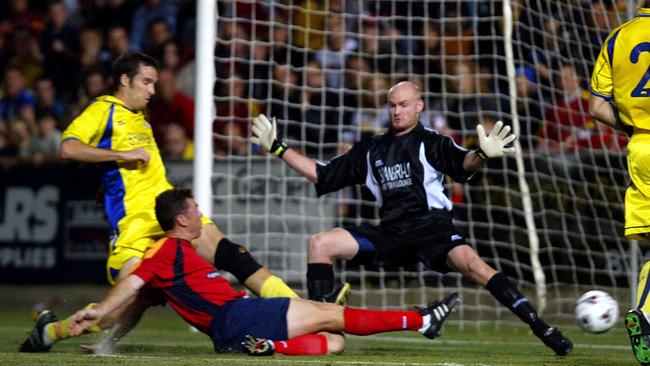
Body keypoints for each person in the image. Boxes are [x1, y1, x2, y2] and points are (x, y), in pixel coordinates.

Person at [250, 80, 573, 356]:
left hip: (431, 229)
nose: (396, 111)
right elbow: (323, 176)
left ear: (418, 106)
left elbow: (464, 166)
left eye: (403, 104)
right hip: (391, 234)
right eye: (391, 105)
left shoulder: (432, 142)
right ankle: (323, 324)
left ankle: (541, 328)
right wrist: (278, 148)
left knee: (477, 267)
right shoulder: (371, 148)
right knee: (320, 243)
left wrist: (483, 154)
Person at [19, 52, 299, 354]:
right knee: (118, 308)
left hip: (168, 215)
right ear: (125, 80)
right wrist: (123, 156)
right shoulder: (103, 109)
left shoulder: (140, 117)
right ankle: (50, 331)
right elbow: (68, 148)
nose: (152, 90)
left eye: (154, 83)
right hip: (136, 227)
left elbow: (130, 173)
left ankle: (302, 310)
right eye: (146, 82)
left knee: (232, 255)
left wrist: (110, 181)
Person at [31, 188, 459, 355]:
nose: (201, 215)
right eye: (195, 210)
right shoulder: (163, 254)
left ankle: (268, 347)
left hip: (238, 324)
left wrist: (107, 343)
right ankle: (421, 321)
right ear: (181, 219)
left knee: (333, 343)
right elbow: (131, 286)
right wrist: (102, 309)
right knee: (329, 315)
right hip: (237, 317)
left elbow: (138, 302)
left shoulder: (178, 259)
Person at [588, 2, 650, 364]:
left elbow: (596, 107)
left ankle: (644, 313)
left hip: (641, 147)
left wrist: (632, 127)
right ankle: (644, 312)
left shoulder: (618, 37)